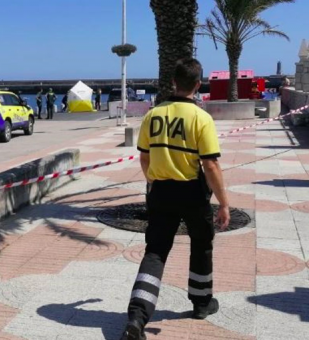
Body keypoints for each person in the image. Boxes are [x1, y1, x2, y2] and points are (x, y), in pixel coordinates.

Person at [120, 58, 230, 340]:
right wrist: (224, 203)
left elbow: (144, 157)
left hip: (160, 191)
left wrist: (153, 181)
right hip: (192, 192)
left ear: (173, 83)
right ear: (198, 84)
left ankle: (136, 318)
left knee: (155, 251)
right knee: (202, 244)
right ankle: (202, 303)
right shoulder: (201, 118)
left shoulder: (153, 115)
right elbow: (211, 165)